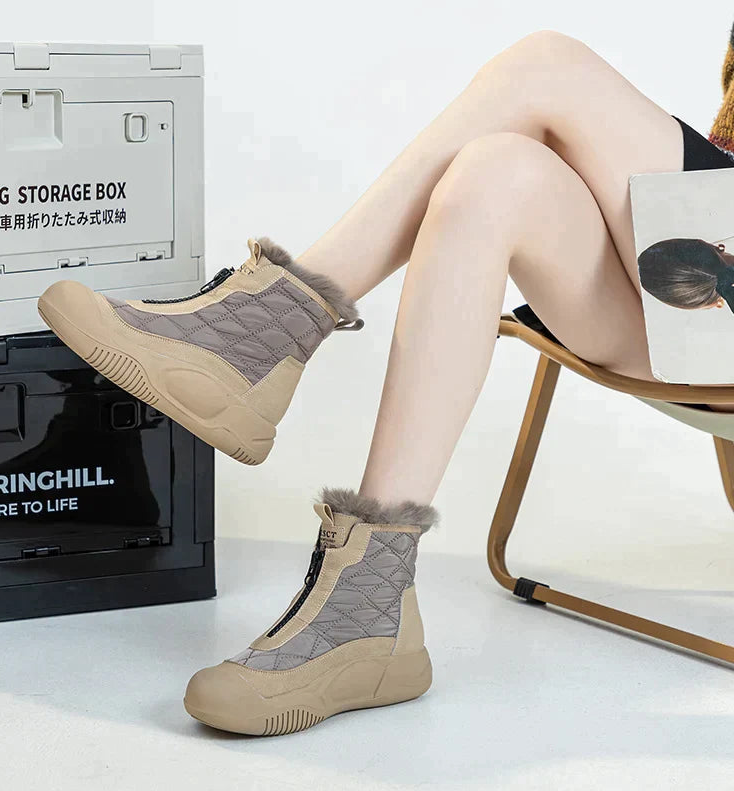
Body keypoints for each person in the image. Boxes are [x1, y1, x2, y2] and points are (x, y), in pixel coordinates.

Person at [38, 26, 734, 736]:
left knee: (547, 65)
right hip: (694, 300)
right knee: (492, 174)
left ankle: (265, 333)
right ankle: (370, 604)